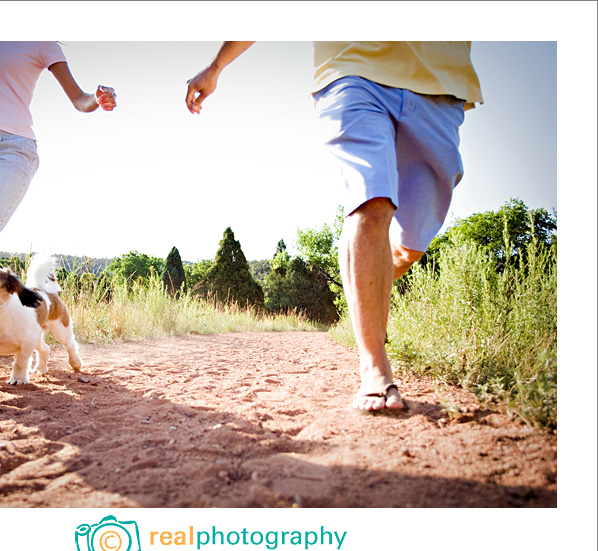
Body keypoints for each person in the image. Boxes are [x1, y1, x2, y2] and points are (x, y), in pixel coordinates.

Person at [186, 41, 483, 412]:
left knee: (412, 242)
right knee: (371, 200)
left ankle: (366, 285)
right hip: (351, 70)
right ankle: (374, 365)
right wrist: (217, 65)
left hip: (439, 82)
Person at [0, 41, 117, 265]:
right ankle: (4, 300)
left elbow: (79, 100)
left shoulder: (41, 42)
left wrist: (96, 98)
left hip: (10, 150)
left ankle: (9, 299)